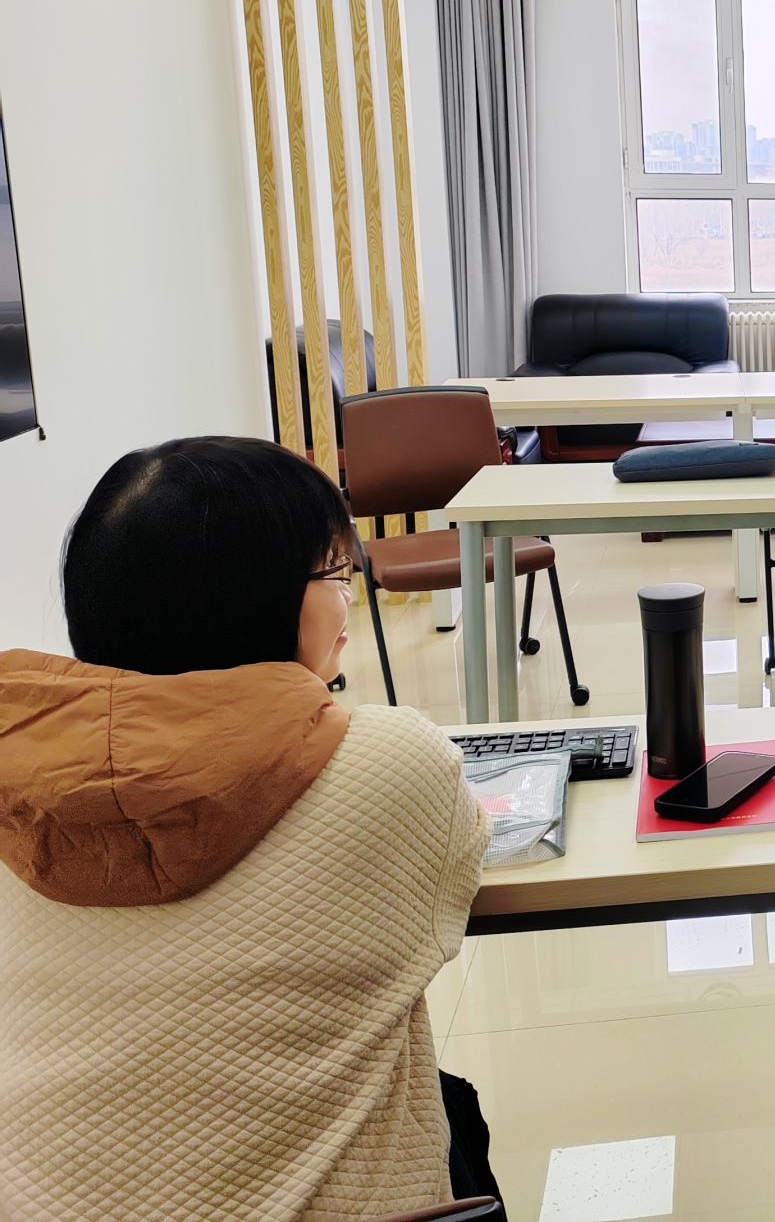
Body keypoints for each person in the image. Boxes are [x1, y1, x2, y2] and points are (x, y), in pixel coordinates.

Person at [0, 437, 495, 1220]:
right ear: (265, 604)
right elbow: (467, 851)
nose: (348, 596)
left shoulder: (15, 786)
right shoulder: (390, 763)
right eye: (334, 573)